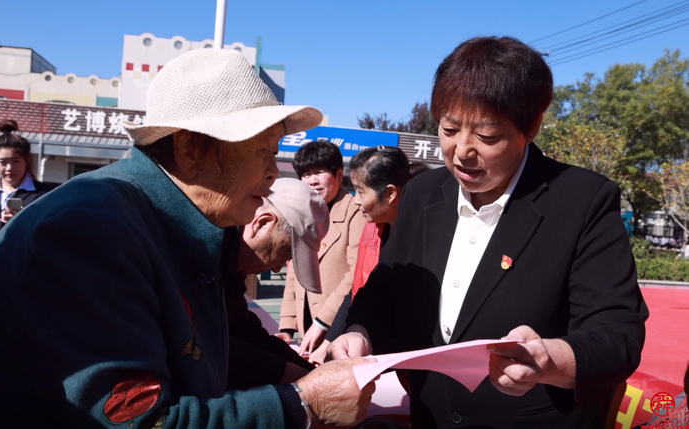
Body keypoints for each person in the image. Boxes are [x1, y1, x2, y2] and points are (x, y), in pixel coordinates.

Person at [0, 49, 376, 428]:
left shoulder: (192, 228)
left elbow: (232, 339)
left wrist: (311, 376)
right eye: (262, 151)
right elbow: (142, 419)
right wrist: (304, 404)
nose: (273, 173)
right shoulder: (91, 231)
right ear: (190, 149)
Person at [328, 36, 648, 428]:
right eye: (449, 129)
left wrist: (550, 358)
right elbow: (387, 287)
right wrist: (360, 331)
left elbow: (618, 336)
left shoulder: (583, 200)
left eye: (488, 136)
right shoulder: (422, 195)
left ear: (531, 127)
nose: (462, 151)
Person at [311, 146, 429, 365]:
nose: (356, 200)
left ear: (390, 193)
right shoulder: (373, 232)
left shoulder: (425, 239)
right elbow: (359, 290)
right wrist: (329, 341)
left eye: (361, 191)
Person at [226, 178, 329, 390]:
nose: (276, 269)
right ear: (262, 224)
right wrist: (284, 372)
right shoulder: (204, 255)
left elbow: (246, 332)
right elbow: (208, 343)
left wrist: (314, 375)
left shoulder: (231, 266)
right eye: (284, 253)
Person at [278, 141, 367, 356]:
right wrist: (287, 327)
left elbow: (355, 274)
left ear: (338, 175)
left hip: (337, 326)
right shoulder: (302, 212)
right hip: (304, 325)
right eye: (306, 174)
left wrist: (322, 321)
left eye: (319, 172)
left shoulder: (356, 211)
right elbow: (294, 273)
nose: (312, 181)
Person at [0, 119, 52, 243]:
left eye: (15, 161)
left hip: (23, 261)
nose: (9, 168)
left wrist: (24, 220)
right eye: (3, 162)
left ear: (26, 160)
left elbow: (51, 236)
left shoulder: (45, 195)